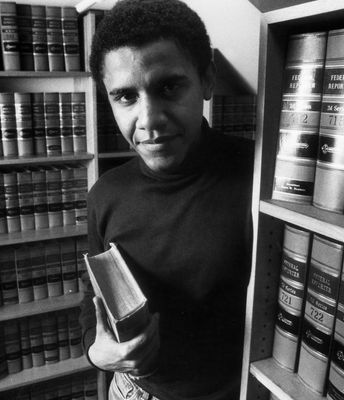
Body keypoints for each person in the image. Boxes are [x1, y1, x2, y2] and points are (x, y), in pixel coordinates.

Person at [80, 0, 254, 399]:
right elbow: (92, 296)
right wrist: (98, 351)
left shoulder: (258, 181)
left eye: (169, 87)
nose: (149, 119)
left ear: (207, 79)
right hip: (131, 392)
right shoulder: (105, 194)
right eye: (125, 97)